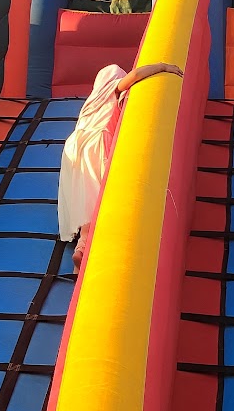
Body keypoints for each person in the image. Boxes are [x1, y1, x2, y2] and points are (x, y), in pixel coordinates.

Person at [56, 60, 184, 264]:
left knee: (85, 193)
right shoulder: (111, 89)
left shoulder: (91, 100)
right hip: (97, 140)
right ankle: (96, 243)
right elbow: (134, 76)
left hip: (74, 145)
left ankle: (82, 247)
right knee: (101, 192)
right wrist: (163, 67)